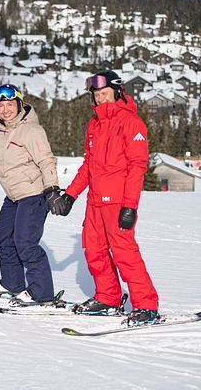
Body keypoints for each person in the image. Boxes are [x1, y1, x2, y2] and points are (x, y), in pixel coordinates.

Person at [59, 70, 160, 325]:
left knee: (125, 253)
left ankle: (146, 305)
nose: (101, 99)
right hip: (94, 202)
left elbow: (137, 167)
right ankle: (108, 297)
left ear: (117, 92)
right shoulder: (94, 124)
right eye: (96, 95)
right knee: (94, 251)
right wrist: (71, 195)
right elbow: (88, 165)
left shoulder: (131, 123)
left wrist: (130, 207)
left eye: (104, 93)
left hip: (117, 203)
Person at [0, 84, 63, 306]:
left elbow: (46, 160)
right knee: (3, 238)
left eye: (10, 104)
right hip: (13, 196)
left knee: (26, 242)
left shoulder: (31, 130)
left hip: (34, 193)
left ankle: (41, 294)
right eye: (1, 106)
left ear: (19, 104)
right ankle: (12, 283)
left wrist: (52, 188)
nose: (5, 110)